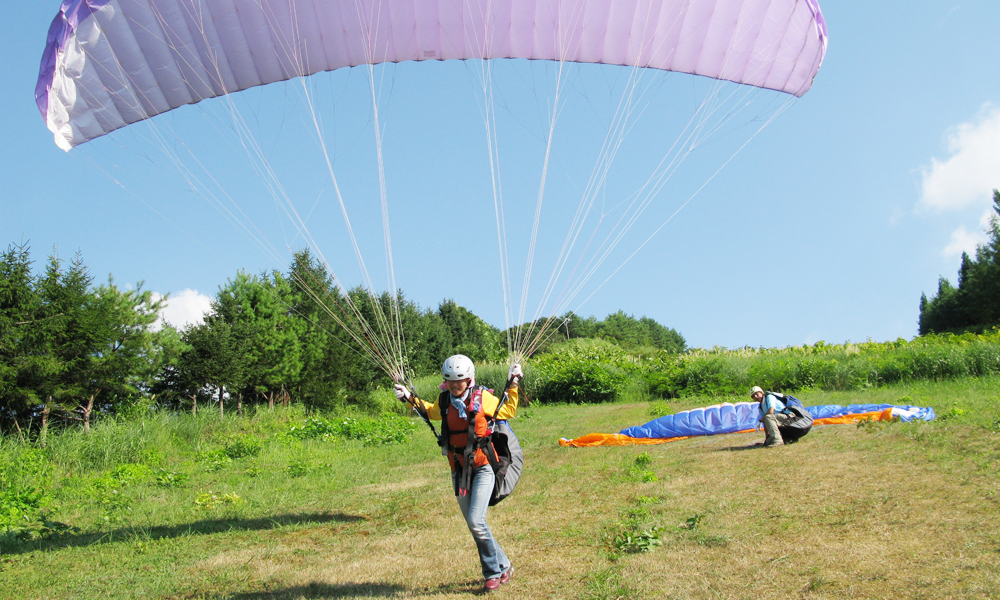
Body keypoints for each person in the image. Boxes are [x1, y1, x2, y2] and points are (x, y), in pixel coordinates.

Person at [394, 355, 522, 592]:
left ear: (469, 379)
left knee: (476, 520)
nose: (455, 385)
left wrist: (513, 384)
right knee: (476, 524)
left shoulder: (482, 397)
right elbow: (431, 411)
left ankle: (493, 572)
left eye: (459, 381)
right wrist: (409, 398)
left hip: (483, 467)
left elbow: (508, 410)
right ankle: (504, 564)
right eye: (450, 381)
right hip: (459, 469)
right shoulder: (444, 401)